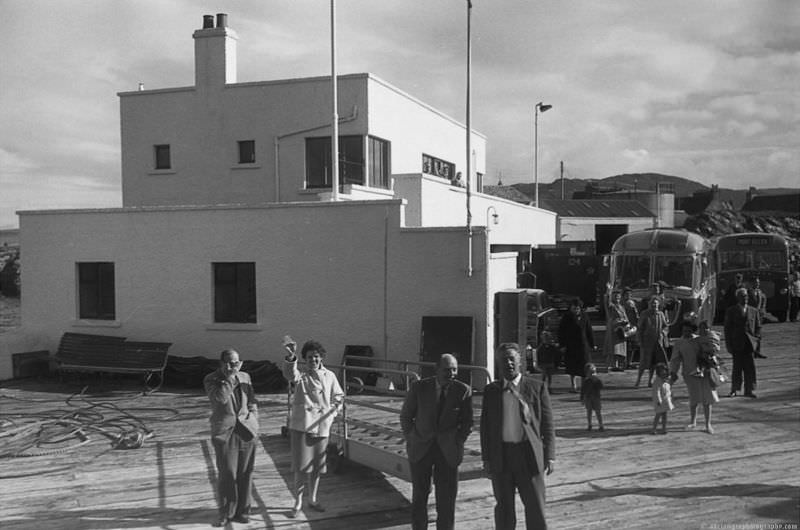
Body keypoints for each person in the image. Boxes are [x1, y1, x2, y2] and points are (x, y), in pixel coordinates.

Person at [481, 343, 555, 530]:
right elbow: (485, 429)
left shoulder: (536, 388)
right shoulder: (491, 392)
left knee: (535, 508)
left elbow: (548, 425)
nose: (508, 363)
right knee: (504, 510)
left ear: (520, 361)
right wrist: (487, 458)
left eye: (512, 359)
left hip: (528, 455)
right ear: (498, 364)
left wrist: (550, 455)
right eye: (503, 360)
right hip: (502, 456)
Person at [399, 353, 473, 530]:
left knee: (447, 499)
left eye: (455, 369)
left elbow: (467, 422)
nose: (452, 373)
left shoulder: (463, 391)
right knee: (419, 497)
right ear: (437, 369)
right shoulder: (419, 388)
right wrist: (412, 437)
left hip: (447, 450)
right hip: (421, 448)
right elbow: (406, 416)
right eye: (447, 370)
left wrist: (458, 441)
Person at [283, 339, 344, 517]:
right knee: (301, 467)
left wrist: (333, 412)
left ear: (321, 358)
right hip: (302, 426)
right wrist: (290, 356)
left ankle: (313, 499)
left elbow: (339, 395)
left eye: (316, 357)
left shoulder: (330, 376)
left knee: (316, 466)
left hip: (322, 426)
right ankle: (298, 502)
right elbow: (289, 374)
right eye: (309, 357)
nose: (313, 360)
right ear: (305, 359)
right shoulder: (301, 375)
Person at [204, 349, 259, 526]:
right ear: (221, 363)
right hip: (225, 431)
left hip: (246, 430)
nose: (232, 366)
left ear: (240, 363)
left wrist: (254, 419)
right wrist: (229, 378)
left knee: (246, 473)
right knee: (227, 473)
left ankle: (244, 510)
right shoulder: (211, 379)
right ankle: (226, 512)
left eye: (235, 363)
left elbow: (252, 400)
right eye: (228, 362)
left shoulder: (246, 377)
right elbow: (219, 399)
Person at [668, 320, 719, 434]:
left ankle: (707, 424)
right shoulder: (679, 343)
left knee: (707, 398)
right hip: (689, 373)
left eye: (689, 330)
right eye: (684, 330)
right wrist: (673, 373)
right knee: (694, 398)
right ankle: (693, 421)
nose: (686, 332)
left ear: (693, 330)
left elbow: (712, 348)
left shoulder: (700, 339)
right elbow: (675, 360)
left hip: (705, 372)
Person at [636, 296, 681, 388]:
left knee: (653, 363)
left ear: (658, 305)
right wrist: (640, 340)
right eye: (652, 303)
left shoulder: (660, 314)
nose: (654, 305)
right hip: (646, 342)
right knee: (643, 362)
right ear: (649, 304)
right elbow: (640, 328)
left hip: (657, 342)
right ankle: (638, 380)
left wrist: (663, 333)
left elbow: (665, 326)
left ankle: (650, 380)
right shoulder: (645, 314)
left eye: (656, 304)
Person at [724, 288, 761, 398]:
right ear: (738, 298)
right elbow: (727, 329)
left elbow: (758, 327)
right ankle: (734, 389)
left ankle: (749, 389)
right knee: (737, 368)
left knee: (750, 368)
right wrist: (728, 344)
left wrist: (757, 339)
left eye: (746, 296)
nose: (745, 298)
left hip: (749, 343)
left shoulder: (753, 311)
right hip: (737, 343)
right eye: (743, 296)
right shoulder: (731, 311)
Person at [558, 298, 595, 393]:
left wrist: (592, 344)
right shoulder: (566, 317)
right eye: (573, 308)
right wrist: (562, 345)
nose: (575, 310)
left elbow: (589, 330)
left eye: (577, 308)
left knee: (585, 365)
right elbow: (561, 332)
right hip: (571, 345)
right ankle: (573, 385)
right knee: (572, 366)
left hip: (583, 344)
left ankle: (584, 385)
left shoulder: (585, 316)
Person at [603, 290, 629, 372]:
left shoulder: (621, 306)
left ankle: (616, 365)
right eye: (615, 296)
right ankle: (608, 366)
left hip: (621, 329)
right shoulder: (611, 306)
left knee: (619, 348)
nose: (617, 297)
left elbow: (625, 317)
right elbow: (607, 302)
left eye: (618, 296)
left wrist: (626, 322)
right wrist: (608, 292)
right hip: (613, 329)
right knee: (612, 348)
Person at [651, 363, 674, 434]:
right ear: (658, 372)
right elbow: (656, 392)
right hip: (659, 402)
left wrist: (671, 396)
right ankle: (654, 429)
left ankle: (664, 428)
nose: (663, 372)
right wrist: (659, 400)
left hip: (665, 400)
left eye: (664, 371)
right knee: (658, 415)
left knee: (664, 415)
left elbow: (668, 390)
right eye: (661, 371)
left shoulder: (666, 380)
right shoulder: (657, 381)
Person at [580, 363, 604, 431]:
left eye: (593, 372)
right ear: (587, 373)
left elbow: (601, 387)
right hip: (588, 398)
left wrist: (596, 380)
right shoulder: (586, 381)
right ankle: (589, 424)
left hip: (596, 397)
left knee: (598, 412)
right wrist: (582, 399)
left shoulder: (597, 380)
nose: (592, 374)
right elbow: (583, 390)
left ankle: (601, 425)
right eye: (590, 372)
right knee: (589, 411)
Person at [748, 277, 767, 358]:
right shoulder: (749, 292)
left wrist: (762, 310)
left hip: (759, 315)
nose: (757, 284)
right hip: (751, 315)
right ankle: (750, 351)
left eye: (758, 282)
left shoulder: (760, 292)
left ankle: (757, 351)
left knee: (759, 333)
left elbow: (763, 301)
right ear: (752, 283)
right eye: (756, 282)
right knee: (751, 333)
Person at [622, 288, 640, 369]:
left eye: (629, 294)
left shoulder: (632, 303)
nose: (628, 295)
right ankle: (625, 363)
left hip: (632, 326)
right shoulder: (622, 304)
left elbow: (636, 315)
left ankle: (629, 362)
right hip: (625, 326)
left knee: (633, 346)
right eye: (626, 294)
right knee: (626, 346)